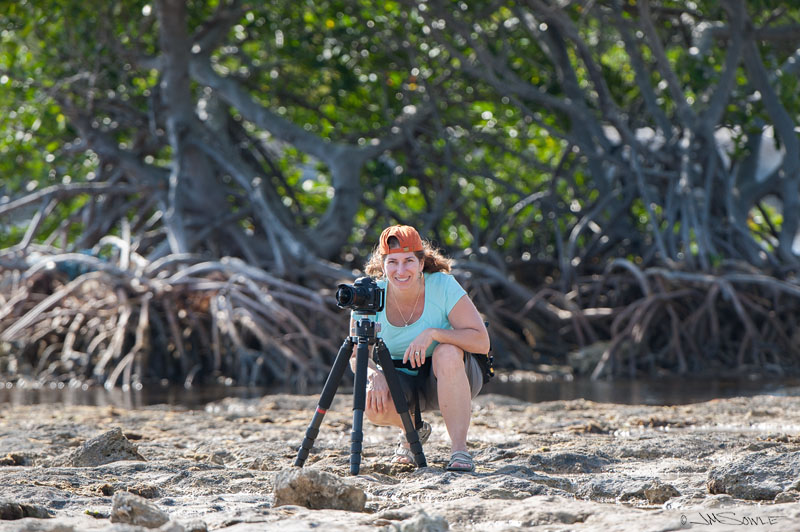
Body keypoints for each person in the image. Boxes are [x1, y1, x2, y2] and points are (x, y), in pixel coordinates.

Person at [349, 224, 490, 472]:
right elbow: (355, 355)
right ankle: (412, 430)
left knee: (445, 351)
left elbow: (481, 341)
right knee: (370, 402)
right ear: (382, 265)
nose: (400, 270)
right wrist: (373, 375)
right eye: (392, 262)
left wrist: (434, 333)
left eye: (408, 261)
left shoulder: (443, 286)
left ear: (421, 263)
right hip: (402, 379)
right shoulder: (370, 296)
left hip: (454, 373)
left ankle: (459, 449)